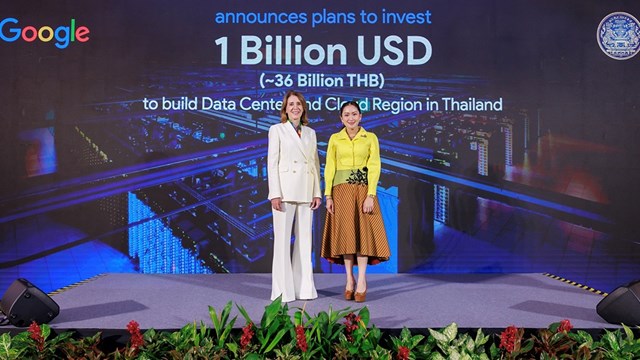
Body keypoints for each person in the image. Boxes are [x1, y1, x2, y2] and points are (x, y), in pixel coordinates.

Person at [321, 100, 391, 303]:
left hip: (362, 191)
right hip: (340, 191)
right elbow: (330, 167)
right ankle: (349, 280)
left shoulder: (370, 138)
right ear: (341, 119)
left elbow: (375, 166)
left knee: (362, 237)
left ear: (360, 116)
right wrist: (328, 195)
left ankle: (361, 280)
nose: (350, 118)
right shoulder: (335, 139)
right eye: (346, 115)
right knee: (347, 237)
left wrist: (371, 195)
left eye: (354, 114)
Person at [267, 90, 322, 302]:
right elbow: (272, 163)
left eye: (298, 104)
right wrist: (275, 194)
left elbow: (315, 164)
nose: (295, 107)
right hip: (285, 192)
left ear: (303, 108)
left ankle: (304, 289)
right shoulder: (277, 130)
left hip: (306, 191)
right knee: (281, 242)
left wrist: (317, 192)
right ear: (285, 108)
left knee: (305, 241)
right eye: (291, 104)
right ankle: (283, 291)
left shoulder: (311, 133)